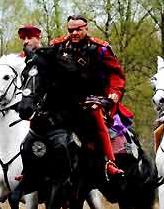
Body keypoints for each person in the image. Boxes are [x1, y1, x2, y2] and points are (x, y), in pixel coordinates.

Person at [49, 14, 131, 179]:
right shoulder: (57, 46)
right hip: (64, 99)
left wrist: (113, 94)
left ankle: (110, 162)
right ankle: (30, 166)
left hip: (94, 97)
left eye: (78, 30)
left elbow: (116, 75)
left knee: (96, 116)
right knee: (38, 116)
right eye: (71, 30)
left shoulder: (100, 48)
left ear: (86, 28)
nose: (74, 33)